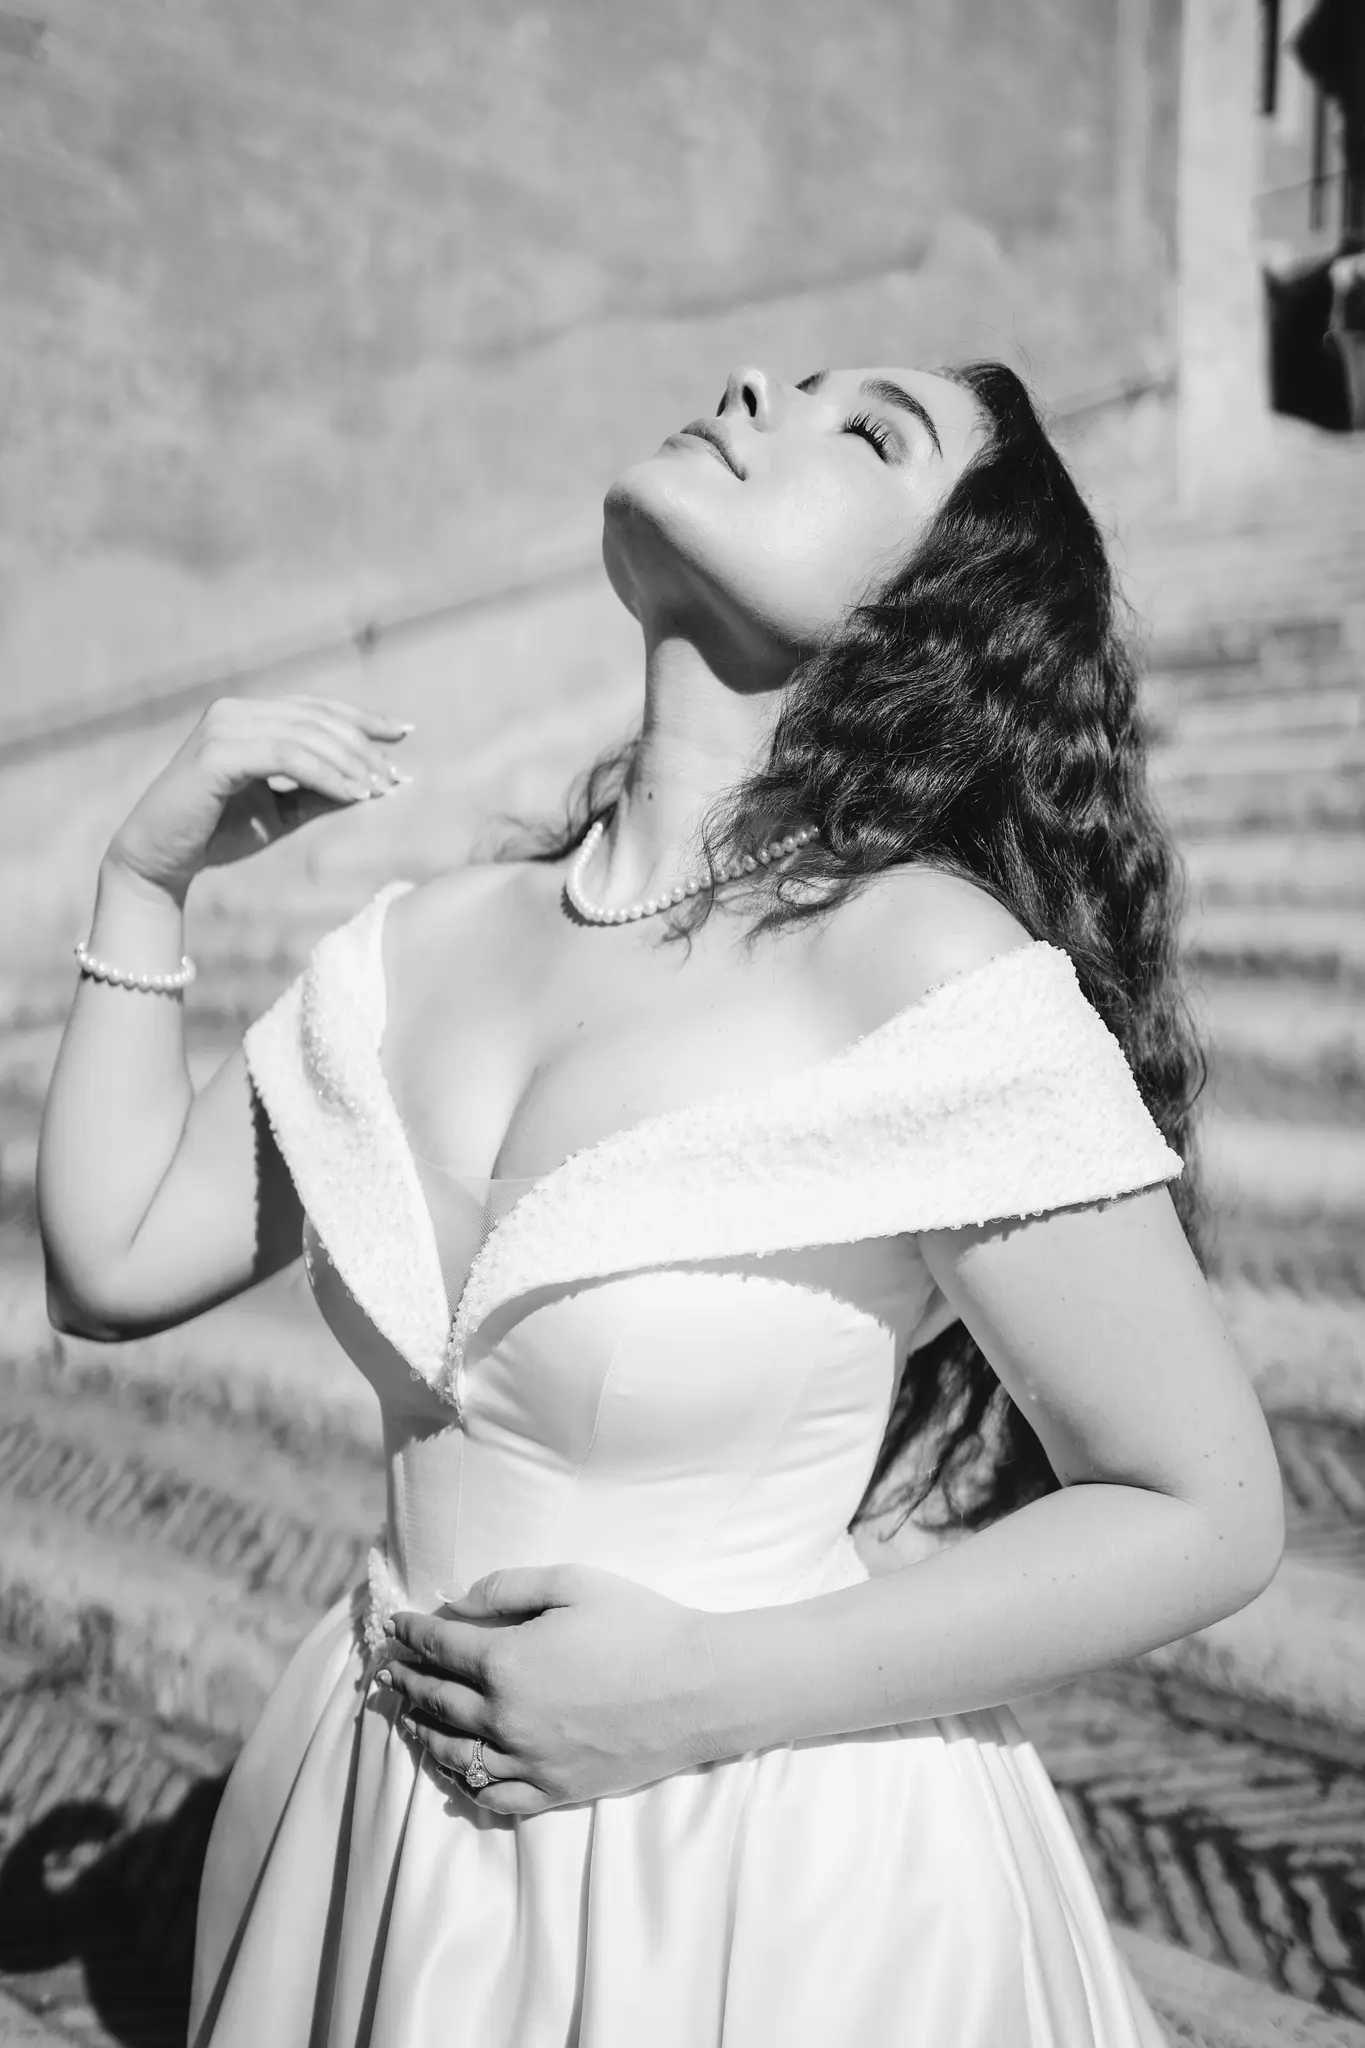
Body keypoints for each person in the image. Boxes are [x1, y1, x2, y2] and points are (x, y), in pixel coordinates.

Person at [37, 360, 1286, 2047]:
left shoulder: (918, 959)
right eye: (793, 381)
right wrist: (145, 879)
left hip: (766, 1876)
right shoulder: (414, 941)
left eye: (871, 430)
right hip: (376, 1810)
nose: (763, 385)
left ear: (933, 612)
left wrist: (699, 1695)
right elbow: (110, 1264)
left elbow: (1204, 1509)